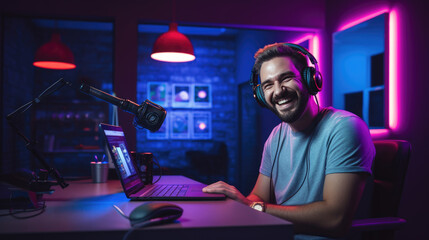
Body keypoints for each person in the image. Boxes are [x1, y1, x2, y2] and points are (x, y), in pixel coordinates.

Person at [202, 43, 375, 239]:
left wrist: (252, 207)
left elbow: (334, 219)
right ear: (260, 95)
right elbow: (258, 197)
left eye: (287, 78)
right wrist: (235, 206)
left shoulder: (345, 128)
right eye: (268, 85)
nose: (278, 91)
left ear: (311, 80)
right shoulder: (276, 137)